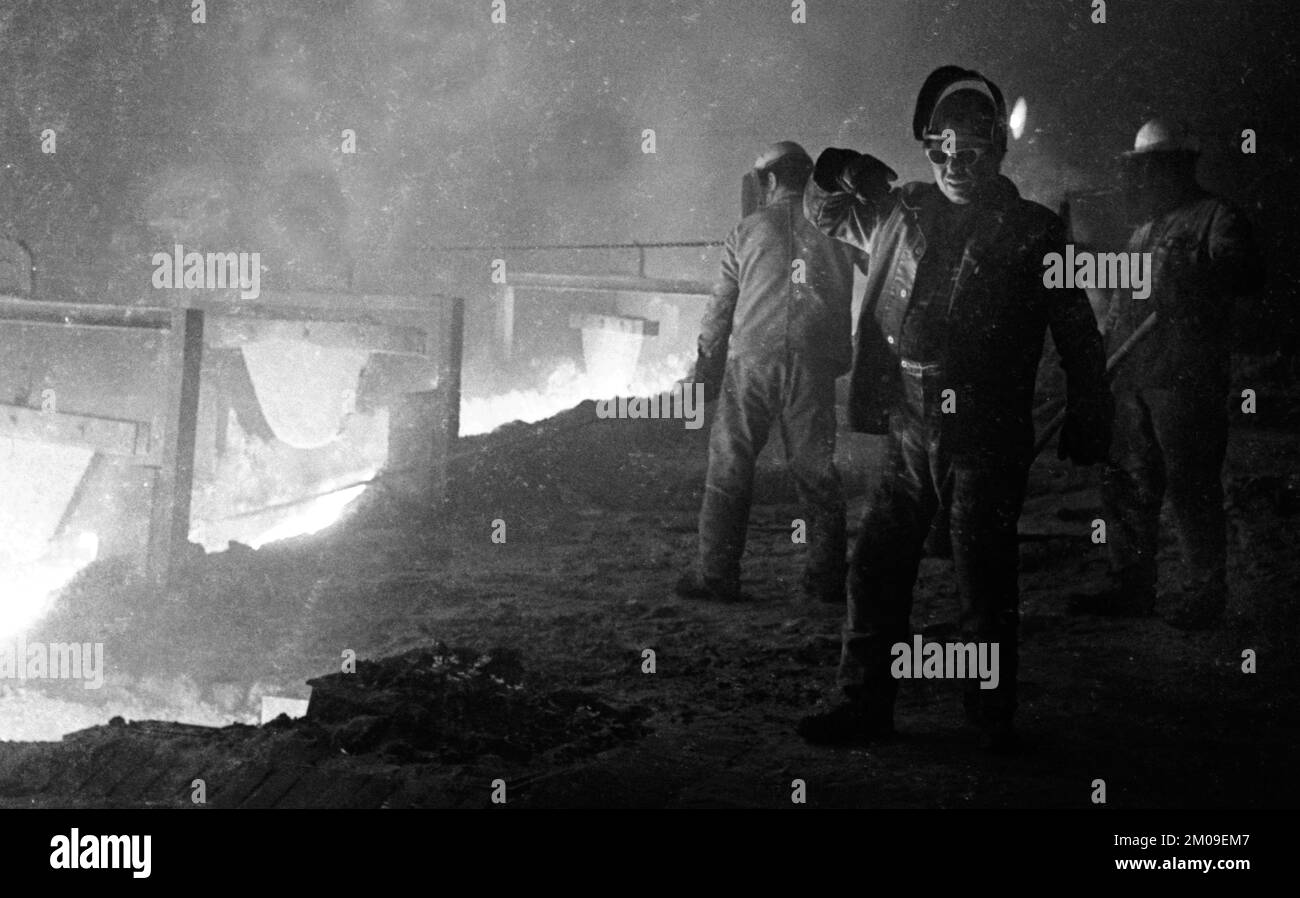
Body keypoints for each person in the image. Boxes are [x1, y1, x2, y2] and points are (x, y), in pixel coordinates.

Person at [796, 67, 1112, 750]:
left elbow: (1077, 323)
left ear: (997, 149)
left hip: (987, 428)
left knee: (983, 576)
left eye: (971, 151)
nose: (955, 164)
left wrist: (1092, 403)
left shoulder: (1035, 231)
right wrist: (834, 169)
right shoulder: (900, 212)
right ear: (927, 147)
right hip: (911, 422)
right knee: (877, 563)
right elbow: (820, 214)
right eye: (943, 149)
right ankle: (863, 702)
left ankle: (989, 718)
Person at [1069, 119, 1264, 629]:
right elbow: (1118, 308)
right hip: (1132, 378)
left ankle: (1204, 593)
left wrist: (1200, 282)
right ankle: (1130, 585)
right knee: (1126, 485)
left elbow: (1245, 275)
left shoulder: (1216, 218)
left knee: (1190, 486)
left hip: (1186, 381)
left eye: (1157, 165)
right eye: (1144, 167)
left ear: (1181, 166)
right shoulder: (1144, 231)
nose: (1148, 176)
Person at [677, 141, 864, 604]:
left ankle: (716, 575)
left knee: (730, 466)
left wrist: (705, 369)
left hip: (753, 363)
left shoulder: (747, 230)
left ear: (772, 181)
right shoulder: (839, 227)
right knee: (816, 472)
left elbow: (720, 308)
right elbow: (884, 265)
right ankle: (825, 579)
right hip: (814, 364)